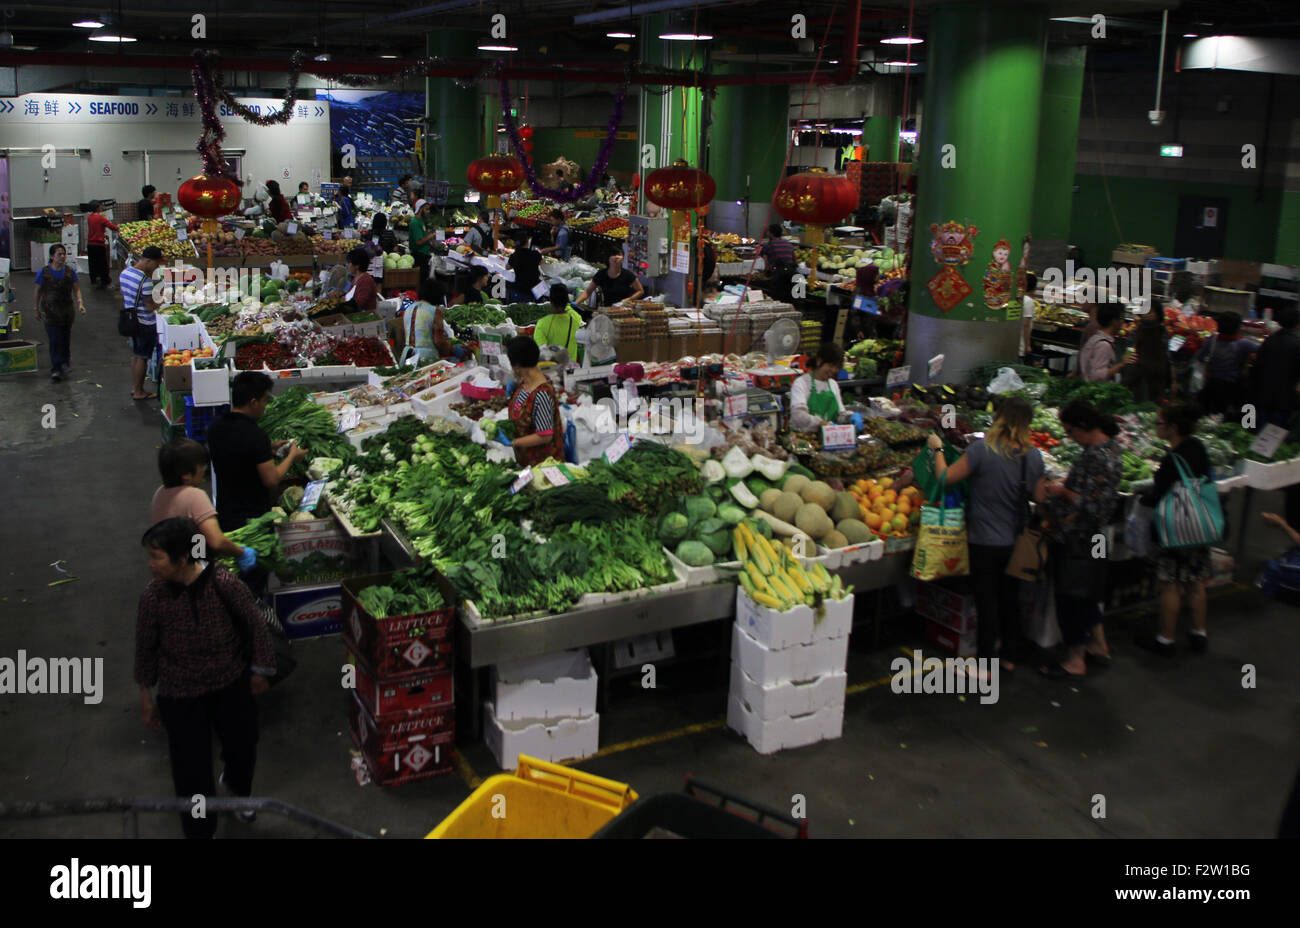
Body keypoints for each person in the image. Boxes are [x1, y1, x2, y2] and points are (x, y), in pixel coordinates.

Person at [135, 517, 275, 838]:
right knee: (191, 771)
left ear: (182, 557)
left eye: (157, 556)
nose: (150, 564)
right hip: (180, 694)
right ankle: (200, 830)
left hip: (229, 684)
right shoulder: (152, 598)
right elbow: (145, 647)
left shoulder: (223, 584)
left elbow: (255, 627)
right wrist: (145, 696)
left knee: (243, 746)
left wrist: (261, 669)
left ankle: (238, 790)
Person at [927, 396, 1045, 674]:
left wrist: (938, 449)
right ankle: (1009, 657)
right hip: (1016, 541)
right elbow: (1039, 497)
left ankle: (983, 664)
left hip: (983, 540)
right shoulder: (1033, 456)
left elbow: (944, 479)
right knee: (1010, 599)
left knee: (987, 601)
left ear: (1000, 419)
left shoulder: (982, 450)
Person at [1037, 400, 1123, 679]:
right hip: (1096, 538)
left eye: (1071, 431)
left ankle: (1076, 660)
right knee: (1088, 592)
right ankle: (1099, 645)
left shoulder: (1096, 456)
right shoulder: (1110, 448)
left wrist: (1063, 492)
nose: (1069, 437)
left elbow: (1092, 504)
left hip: (1079, 537)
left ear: (1083, 426)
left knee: (1071, 595)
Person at [1136, 402, 1214, 657]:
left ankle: (1165, 639)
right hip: (1199, 525)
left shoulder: (1173, 459)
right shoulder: (1199, 448)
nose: (1156, 427)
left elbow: (1159, 495)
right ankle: (1199, 633)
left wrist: (1143, 498)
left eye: (1159, 423)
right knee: (1196, 581)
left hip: (1175, 529)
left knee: (1169, 583)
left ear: (1173, 428)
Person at [206, 371, 309, 532]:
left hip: (225, 513)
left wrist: (269, 448)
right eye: (264, 401)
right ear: (253, 402)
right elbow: (271, 480)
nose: (265, 406)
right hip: (253, 521)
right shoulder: (255, 434)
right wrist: (291, 456)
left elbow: (236, 454)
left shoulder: (215, 427)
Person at [151, 439, 258, 569]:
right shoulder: (195, 496)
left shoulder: (159, 493)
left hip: (169, 569)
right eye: (202, 465)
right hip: (192, 571)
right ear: (186, 476)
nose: (204, 469)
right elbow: (217, 542)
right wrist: (241, 553)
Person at [505, 335, 566, 466]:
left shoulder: (542, 394)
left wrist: (513, 442)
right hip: (526, 462)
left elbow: (545, 436)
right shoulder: (525, 385)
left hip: (543, 467)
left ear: (516, 366)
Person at [33, 243, 85, 383]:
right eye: (59, 254)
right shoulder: (43, 272)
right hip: (49, 313)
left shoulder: (70, 272)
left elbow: (76, 289)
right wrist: (36, 309)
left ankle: (65, 360)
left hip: (67, 312)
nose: (62, 257)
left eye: (64, 254)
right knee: (54, 340)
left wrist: (80, 303)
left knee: (64, 338)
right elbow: (37, 291)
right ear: (52, 256)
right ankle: (56, 368)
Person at [120, 245, 164, 400]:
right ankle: (139, 392)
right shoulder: (145, 281)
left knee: (136, 355)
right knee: (143, 357)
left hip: (130, 321)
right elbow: (150, 307)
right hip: (144, 323)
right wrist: (161, 301)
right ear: (149, 261)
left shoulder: (125, 273)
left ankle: (135, 387)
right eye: (156, 264)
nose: (157, 267)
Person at [1196, 311, 1258, 417]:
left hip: (1211, 385)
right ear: (1237, 327)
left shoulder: (1212, 341)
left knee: (1208, 415)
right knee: (1227, 416)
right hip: (1233, 388)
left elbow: (1200, 358)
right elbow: (1263, 350)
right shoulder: (1244, 344)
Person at [397, 275, 461, 364]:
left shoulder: (409, 309)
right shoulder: (434, 311)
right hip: (425, 359)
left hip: (407, 356)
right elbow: (438, 341)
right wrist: (454, 350)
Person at [789, 343, 850, 431]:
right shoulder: (801, 383)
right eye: (831, 365)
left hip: (830, 437)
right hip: (805, 437)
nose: (834, 370)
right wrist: (821, 424)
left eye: (837, 367)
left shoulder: (833, 384)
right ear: (819, 361)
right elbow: (798, 415)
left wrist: (850, 417)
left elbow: (840, 415)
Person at [1078, 302, 1134, 382]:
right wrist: (1121, 365)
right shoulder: (1103, 345)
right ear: (1114, 321)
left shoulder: (1095, 338)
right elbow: (1097, 376)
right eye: (1121, 319)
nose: (1122, 323)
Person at [1124, 315, 1173, 403]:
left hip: (1136, 407)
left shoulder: (1135, 359)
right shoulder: (1164, 359)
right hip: (1156, 407)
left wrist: (1123, 364)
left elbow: (1125, 386)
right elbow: (1168, 384)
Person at [533, 282, 584, 360]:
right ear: (567, 301)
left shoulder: (542, 324)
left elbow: (542, 352)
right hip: (571, 369)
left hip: (552, 369)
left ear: (551, 301)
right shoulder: (576, 318)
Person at [580, 252, 644, 309]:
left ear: (623, 258)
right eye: (613, 255)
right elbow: (588, 291)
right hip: (607, 310)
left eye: (619, 255)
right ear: (608, 258)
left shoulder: (628, 274)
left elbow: (640, 291)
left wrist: (629, 299)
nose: (616, 257)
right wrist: (575, 303)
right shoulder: (601, 274)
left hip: (623, 311)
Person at [758, 223, 797, 301]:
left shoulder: (768, 246)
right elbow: (794, 262)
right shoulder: (789, 245)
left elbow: (766, 265)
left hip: (778, 276)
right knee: (788, 299)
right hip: (790, 276)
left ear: (771, 233)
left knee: (776, 299)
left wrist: (765, 274)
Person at [85, 200, 118, 290]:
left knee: (93, 263)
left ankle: (94, 279)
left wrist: (102, 234)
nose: (101, 208)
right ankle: (105, 281)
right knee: (103, 264)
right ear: (97, 208)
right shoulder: (100, 218)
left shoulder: (89, 217)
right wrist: (120, 227)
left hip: (90, 244)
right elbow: (113, 227)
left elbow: (95, 229)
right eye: (100, 206)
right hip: (99, 244)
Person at [507, 231, 543, 303]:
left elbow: (507, 267)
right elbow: (543, 263)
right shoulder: (535, 254)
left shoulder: (515, 255)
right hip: (534, 289)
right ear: (527, 242)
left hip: (519, 289)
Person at [343, 246, 379, 314]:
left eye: (349, 262)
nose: (347, 265)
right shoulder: (356, 277)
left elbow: (359, 303)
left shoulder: (366, 281)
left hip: (365, 317)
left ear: (357, 265)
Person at [408, 199, 436, 281]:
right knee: (420, 280)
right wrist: (431, 235)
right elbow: (419, 241)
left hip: (424, 254)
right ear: (420, 209)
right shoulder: (415, 223)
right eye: (426, 209)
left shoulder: (420, 221)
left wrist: (430, 233)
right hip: (419, 256)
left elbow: (423, 236)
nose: (428, 211)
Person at [1019, 271, 1037, 360]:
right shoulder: (1028, 301)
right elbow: (1026, 325)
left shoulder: (1018, 298)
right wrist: (1027, 345)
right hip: (1020, 346)